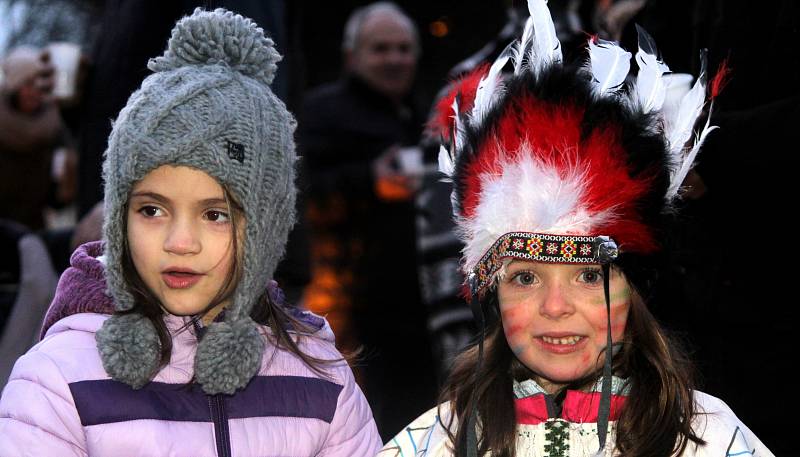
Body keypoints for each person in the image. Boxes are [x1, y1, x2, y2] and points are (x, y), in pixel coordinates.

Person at [379, 1, 774, 456]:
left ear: (635, 290)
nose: (555, 306)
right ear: (489, 291)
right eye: (525, 277)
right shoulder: (439, 440)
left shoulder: (707, 436)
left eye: (589, 275)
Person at [0, 9, 381, 456]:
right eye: (152, 209)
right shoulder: (56, 382)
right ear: (117, 219)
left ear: (268, 227)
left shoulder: (322, 381)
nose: (180, 242)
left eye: (215, 214)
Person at [298, 1, 437, 440]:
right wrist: (368, 181)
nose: (395, 59)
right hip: (350, 313)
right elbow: (297, 194)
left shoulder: (426, 116)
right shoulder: (321, 113)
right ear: (351, 56)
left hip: (423, 313)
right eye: (381, 49)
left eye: (403, 48)